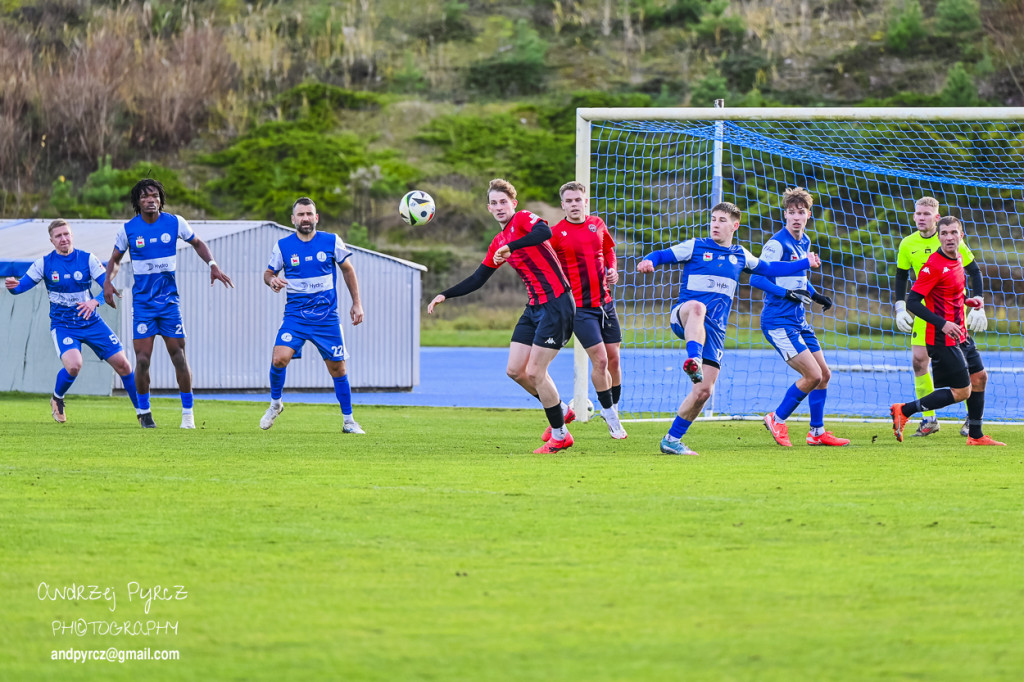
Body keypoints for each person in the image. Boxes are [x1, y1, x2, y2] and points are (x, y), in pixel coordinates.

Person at [636, 201, 820, 456]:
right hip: (685, 317)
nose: (715, 224)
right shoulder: (695, 246)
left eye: (722, 220)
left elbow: (770, 268)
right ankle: (694, 360)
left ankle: (672, 439)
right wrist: (648, 260)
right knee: (699, 308)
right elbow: (661, 255)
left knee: (703, 392)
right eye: (713, 219)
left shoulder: (741, 255)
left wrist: (804, 263)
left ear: (735, 225)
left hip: (714, 332)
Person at [427, 178, 576, 454]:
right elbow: (478, 278)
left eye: (503, 202)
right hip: (534, 308)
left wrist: (514, 246)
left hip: (557, 303)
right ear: (488, 208)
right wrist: (445, 294)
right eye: (493, 203)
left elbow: (544, 232)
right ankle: (562, 410)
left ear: (513, 203)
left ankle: (560, 435)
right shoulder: (498, 241)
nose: (499, 207)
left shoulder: (522, 221)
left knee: (535, 371)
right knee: (515, 371)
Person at [103, 178, 234, 429]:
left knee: (179, 357)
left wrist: (213, 265)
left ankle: (188, 415)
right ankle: (144, 413)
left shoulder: (175, 223)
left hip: (169, 305)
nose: (150, 200)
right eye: (144, 196)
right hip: (143, 305)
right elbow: (115, 259)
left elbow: (197, 242)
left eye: (155, 196)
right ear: (137, 202)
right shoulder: (128, 229)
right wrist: (108, 282)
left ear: (161, 199)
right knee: (142, 360)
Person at [5, 219, 140, 423]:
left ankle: (142, 413)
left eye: (66, 234)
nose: (63, 239)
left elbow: (108, 288)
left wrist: (94, 302)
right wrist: (12, 285)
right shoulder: (44, 263)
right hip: (64, 326)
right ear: (51, 240)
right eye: (58, 236)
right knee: (74, 365)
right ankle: (57, 399)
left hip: (91, 322)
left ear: (72, 236)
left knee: (124, 365)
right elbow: (20, 287)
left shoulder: (87, 259)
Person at [749, 187, 850, 447]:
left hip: (799, 320)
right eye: (791, 212)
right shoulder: (776, 243)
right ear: (785, 215)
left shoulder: (804, 241)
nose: (796, 217)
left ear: (808, 215)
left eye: (801, 212)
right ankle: (777, 418)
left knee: (824, 375)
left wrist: (815, 296)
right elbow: (757, 277)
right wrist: (786, 293)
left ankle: (816, 433)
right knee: (812, 376)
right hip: (778, 321)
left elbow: (799, 280)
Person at [890, 216, 1004, 445]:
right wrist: (942, 323)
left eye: (954, 233)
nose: (949, 237)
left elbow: (952, 292)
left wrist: (971, 302)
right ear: (939, 237)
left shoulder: (959, 258)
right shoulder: (933, 265)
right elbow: (913, 302)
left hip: (960, 333)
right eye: (944, 234)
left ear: (961, 236)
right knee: (962, 391)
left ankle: (975, 435)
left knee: (980, 378)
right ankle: (905, 410)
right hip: (942, 337)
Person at [260, 197, 366, 433]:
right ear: (293, 219)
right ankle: (275, 404)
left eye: (309, 214)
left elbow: (348, 270)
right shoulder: (283, 246)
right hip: (295, 317)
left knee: (338, 369)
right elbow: (268, 273)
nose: (305, 218)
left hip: (327, 319)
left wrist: (356, 303)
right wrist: (272, 280)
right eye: (301, 214)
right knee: (279, 358)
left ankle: (349, 420)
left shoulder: (331, 241)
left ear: (316, 217)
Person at [548, 181, 626, 439]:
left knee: (614, 359)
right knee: (601, 360)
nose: (573, 204)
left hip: (605, 304)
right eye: (568, 201)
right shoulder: (557, 234)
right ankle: (611, 416)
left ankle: (611, 407)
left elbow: (609, 250)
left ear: (585, 201)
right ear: (563, 205)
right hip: (579, 309)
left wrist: (612, 269)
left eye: (577, 200)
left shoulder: (598, 224)